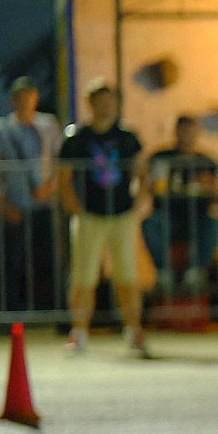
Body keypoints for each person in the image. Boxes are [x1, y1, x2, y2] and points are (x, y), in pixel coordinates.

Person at [57, 80, 149, 356]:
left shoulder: (127, 137)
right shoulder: (77, 138)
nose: (107, 106)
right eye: (101, 101)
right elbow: (64, 178)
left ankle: (133, 328)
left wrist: (140, 201)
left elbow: (142, 171)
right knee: (84, 276)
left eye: (111, 100)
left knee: (127, 275)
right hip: (90, 215)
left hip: (121, 214)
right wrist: (74, 206)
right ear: (91, 104)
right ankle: (80, 331)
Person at [0, 76, 63, 315]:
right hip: (16, 203)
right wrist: (2, 202)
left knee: (54, 260)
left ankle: (59, 311)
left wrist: (53, 186)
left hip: (46, 203)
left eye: (29, 95)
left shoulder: (49, 124)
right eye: (19, 96)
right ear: (12, 99)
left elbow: (61, 162)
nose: (24, 100)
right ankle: (11, 314)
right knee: (12, 261)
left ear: (35, 97)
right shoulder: (1, 129)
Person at [142, 115, 218, 289]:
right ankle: (163, 271)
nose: (187, 136)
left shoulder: (207, 162)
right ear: (176, 132)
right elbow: (147, 184)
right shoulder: (161, 157)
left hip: (197, 216)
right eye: (184, 131)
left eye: (191, 131)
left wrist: (212, 189)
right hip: (166, 214)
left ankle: (195, 271)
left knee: (215, 225)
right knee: (150, 224)